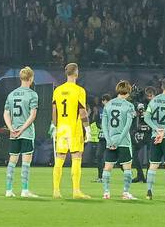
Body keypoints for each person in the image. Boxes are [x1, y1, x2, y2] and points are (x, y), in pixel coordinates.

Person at [51, 62, 91, 199]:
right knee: (76, 157)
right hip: (74, 128)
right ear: (76, 73)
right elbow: (82, 111)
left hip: (61, 129)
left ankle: (56, 190)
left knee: (59, 159)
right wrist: (88, 128)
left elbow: (54, 111)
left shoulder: (57, 90)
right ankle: (76, 191)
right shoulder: (79, 90)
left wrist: (54, 126)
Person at [3, 66, 40, 198]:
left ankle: (8, 190)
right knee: (26, 161)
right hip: (26, 132)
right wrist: (23, 129)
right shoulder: (32, 94)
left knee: (12, 160)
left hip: (13, 133)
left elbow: (6, 113)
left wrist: (11, 128)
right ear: (31, 78)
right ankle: (24, 190)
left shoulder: (11, 94)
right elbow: (32, 115)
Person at [100, 81, 138, 200]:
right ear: (128, 91)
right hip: (123, 142)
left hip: (110, 141)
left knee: (107, 167)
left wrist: (109, 140)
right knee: (127, 168)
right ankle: (125, 193)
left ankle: (106, 192)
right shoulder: (129, 106)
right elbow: (127, 127)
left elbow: (104, 125)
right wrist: (119, 140)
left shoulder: (108, 104)